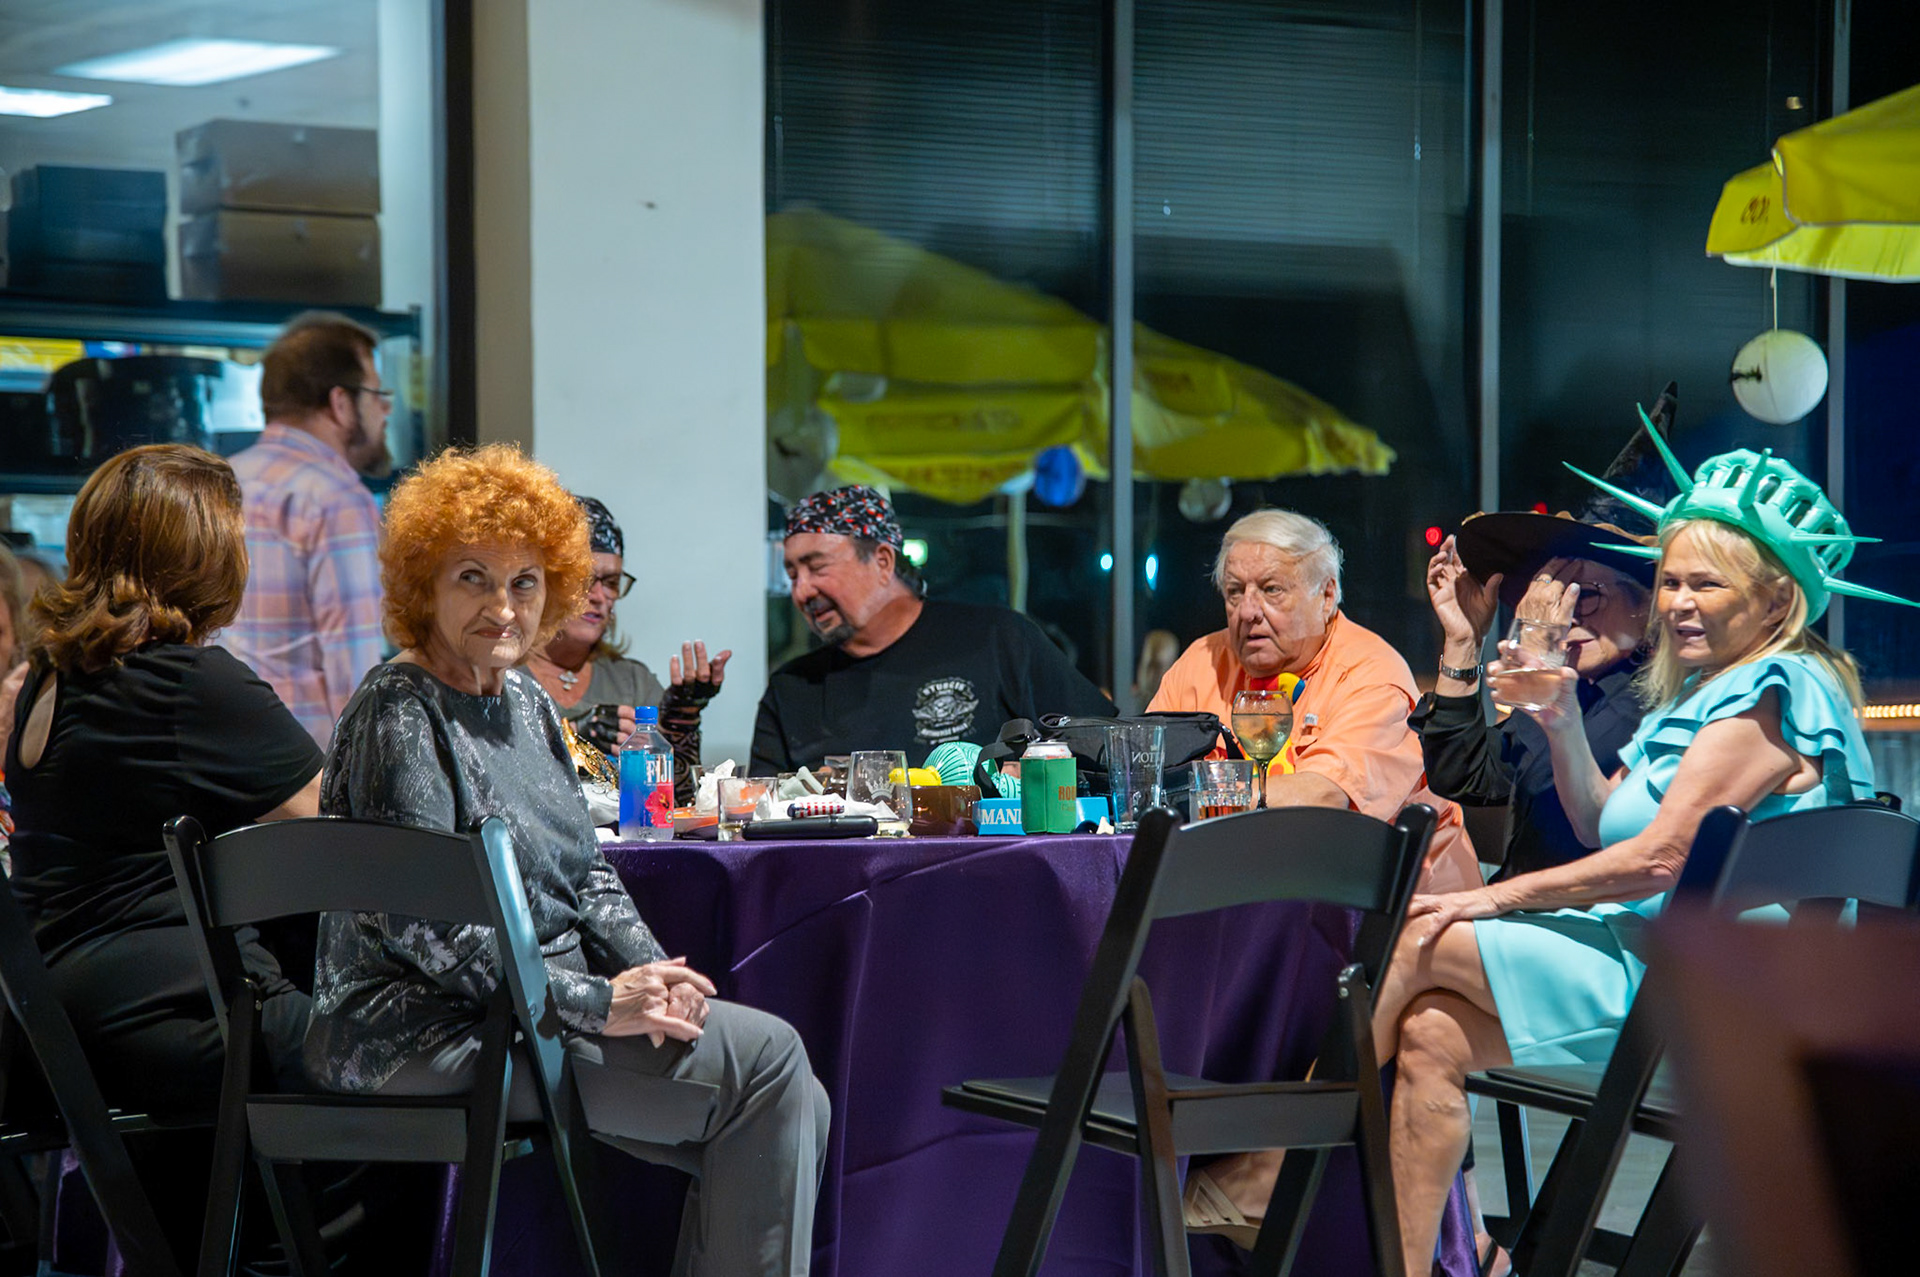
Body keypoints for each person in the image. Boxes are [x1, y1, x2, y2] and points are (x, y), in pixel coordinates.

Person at [1199, 444, 1909, 1274]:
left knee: (1408, 940)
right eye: (1674, 581)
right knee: (1431, 1032)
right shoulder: (1711, 691)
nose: (1679, 602)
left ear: (1777, 596)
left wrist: (1490, 898)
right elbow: (1605, 818)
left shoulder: (1777, 692)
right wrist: (1563, 715)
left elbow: (1660, 858)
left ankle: (1267, 1168)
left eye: (1706, 584)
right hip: (1662, 958)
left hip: (1707, 985)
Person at [310, 444, 827, 1276]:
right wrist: (595, 1001)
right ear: (421, 585)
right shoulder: (397, 706)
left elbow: (587, 870)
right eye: (472, 577)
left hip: (524, 1011)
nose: (503, 607)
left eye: (525, 582)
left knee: (791, 1099)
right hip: (417, 1027)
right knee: (770, 1071)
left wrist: (654, 974)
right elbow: (425, 927)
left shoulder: (523, 698)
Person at [3, 446, 322, 1255]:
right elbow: (347, 832)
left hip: (57, 1024)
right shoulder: (190, 684)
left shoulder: (50, 677)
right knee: (397, 1062)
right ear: (205, 556)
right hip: (171, 1017)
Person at [1147, 508, 1480, 894]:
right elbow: (1146, 772)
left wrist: (1196, 796)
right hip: (1253, 891)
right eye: (1235, 592)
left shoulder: (1372, 674)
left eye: (1271, 590)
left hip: (1403, 909)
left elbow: (1322, 800)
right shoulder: (1202, 662)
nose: (1248, 612)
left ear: (1326, 595)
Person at [1414, 400, 1675, 880]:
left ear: (1648, 608)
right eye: (1553, 592)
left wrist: (1537, 661)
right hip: (1523, 909)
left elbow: (1553, 794)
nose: (1562, 616)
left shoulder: (1653, 700)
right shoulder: (1580, 687)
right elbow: (1463, 775)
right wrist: (1464, 641)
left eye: (1585, 595)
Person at [752, 484, 1114, 774]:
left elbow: (1105, 747)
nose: (802, 591)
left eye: (817, 568)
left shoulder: (997, 640)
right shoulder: (791, 690)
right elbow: (756, 813)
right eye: (792, 575)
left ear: (882, 561)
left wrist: (1031, 773)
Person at [225, 311, 391, 748]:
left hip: (219, 747)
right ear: (340, 403)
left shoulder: (219, 480)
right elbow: (354, 672)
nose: (386, 408)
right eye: (376, 393)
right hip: (305, 760)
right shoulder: (336, 497)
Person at [522, 496, 728, 805]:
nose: (599, 596)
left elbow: (679, 802)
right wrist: (571, 737)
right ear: (547, 580)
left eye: (611, 582)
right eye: (584, 579)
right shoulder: (503, 676)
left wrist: (681, 724)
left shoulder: (632, 682)